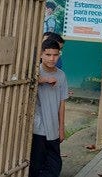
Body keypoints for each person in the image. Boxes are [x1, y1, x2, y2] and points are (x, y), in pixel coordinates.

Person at [30, 39, 68, 177]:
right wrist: (44, 80)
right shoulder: (35, 72)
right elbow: (26, 81)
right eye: (48, 55)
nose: (52, 59)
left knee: (54, 166)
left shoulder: (61, 75)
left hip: (53, 129)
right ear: (41, 54)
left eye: (55, 55)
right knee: (36, 165)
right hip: (37, 129)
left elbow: (62, 103)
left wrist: (61, 129)